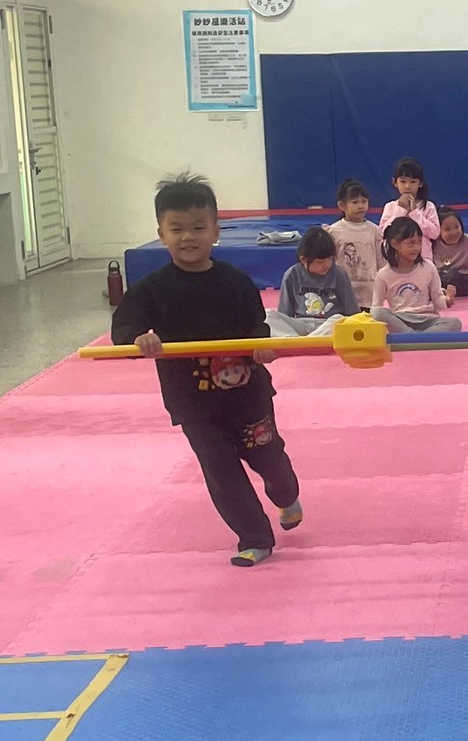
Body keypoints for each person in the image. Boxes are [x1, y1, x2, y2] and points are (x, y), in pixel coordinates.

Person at [111, 173, 301, 568]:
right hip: (192, 402)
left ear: (215, 231)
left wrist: (261, 346)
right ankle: (254, 537)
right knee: (220, 471)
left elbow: (257, 325)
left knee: (268, 457)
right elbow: (124, 331)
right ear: (161, 234)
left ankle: (286, 494)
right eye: (176, 228)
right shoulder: (150, 289)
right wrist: (138, 340)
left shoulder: (235, 283)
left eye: (198, 228)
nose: (188, 237)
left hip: (247, 397)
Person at [371, 216, 463, 333]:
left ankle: (412, 338)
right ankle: (416, 337)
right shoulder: (383, 274)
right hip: (401, 319)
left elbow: (437, 299)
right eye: (411, 243)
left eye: (419, 242)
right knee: (378, 313)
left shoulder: (428, 267)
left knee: (455, 323)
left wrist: (447, 300)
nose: (416, 247)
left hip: (427, 319)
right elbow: (376, 308)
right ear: (395, 244)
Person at [267, 226, 358, 336]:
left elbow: (352, 313)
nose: (327, 265)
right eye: (321, 262)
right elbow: (284, 314)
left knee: (338, 319)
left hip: (327, 325)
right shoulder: (292, 274)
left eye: (330, 259)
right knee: (268, 315)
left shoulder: (339, 275)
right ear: (303, 259)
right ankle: (298, 340)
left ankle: (304, 342)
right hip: (302, 323)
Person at [328, 178, 384, 309]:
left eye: (364, 201)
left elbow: (380, 260)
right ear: (342, 205)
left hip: (369, 292)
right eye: (355, 202)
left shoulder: (374, 230)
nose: (361, 206)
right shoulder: (333, 231)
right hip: (342, 291)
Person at [378, 157, 439, 258]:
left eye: (413, 182)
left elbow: (434, 233)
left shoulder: (428, 206)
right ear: (395, 182)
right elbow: (383, 233)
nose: (407, 186)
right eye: (403, 181)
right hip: (397, 260)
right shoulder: (390, 206)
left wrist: (415, 212)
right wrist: (400, 210)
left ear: (420, 183)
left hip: (423, 260)